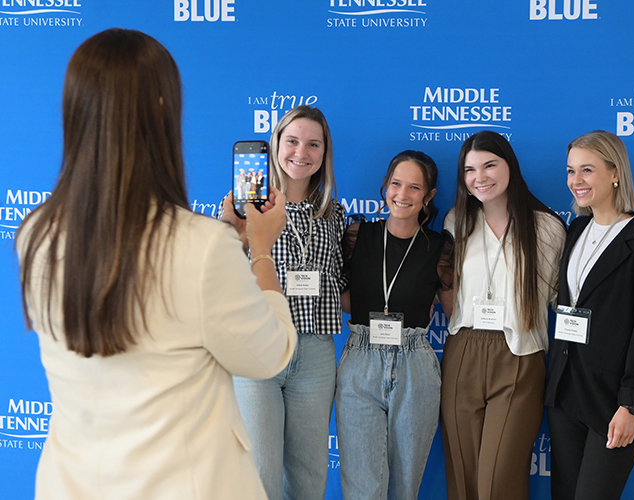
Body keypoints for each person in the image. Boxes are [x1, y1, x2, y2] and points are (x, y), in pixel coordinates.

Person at [15, 28, 297, 500]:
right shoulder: (202, 247)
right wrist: (261, 251)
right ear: (164, 110)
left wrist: (227, 245)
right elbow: (268, 355)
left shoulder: (35, 234)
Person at [220, 105, 345, 500]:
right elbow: (218, 282)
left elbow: (339, 284)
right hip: (258, 348)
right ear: (275, 146)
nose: (300, 152)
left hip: (315, 354)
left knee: (309, 475)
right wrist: (232, 235)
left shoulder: (335, 215)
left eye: (313, 144)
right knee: (259, 473)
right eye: (291, 141)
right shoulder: (243, 209)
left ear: (325, 153)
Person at [544, 130, 634, 500]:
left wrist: (631, 405)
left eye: (587, 170)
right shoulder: (576, 229)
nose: (576, 181)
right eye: (570, 171)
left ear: (615, 173)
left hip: (611, 402)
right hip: (565, 392)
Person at [441, 131, 566, 500]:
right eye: (470, 169)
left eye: (489, 165)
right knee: (462, 479)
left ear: (510, 164)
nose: (479, 177)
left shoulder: (546, 227)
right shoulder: (456, 221)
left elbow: (558, 298)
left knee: (499, 482)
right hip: (463, 349)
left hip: (520, 354)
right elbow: (447, 285)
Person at [335, 150, 453, 499]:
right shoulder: (358, 236)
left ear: (429, 196)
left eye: (415, 187)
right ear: (385, 186)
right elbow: (340, 297)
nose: (402, 194)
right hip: (361, 358)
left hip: (415, 362)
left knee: (405, 485)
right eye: (396, 184)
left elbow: (454, 311)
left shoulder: (440, 248)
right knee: (362, 485)